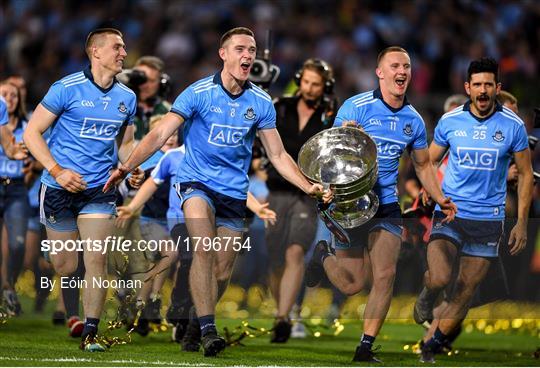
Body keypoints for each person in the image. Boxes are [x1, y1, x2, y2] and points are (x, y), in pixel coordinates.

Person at [104, 26, 331, 357]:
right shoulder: (197, 93)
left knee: (223, 271)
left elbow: (279, 156)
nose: (248, 55)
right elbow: (157, 136)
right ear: (223, 54)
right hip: (196, 184)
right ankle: (210, 330)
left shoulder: (261, 102)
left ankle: (198, 321)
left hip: (233, 193)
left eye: (251, 50)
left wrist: (309, 186)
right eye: (240, 48)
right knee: (204, 249)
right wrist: (125, 168)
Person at [304, 46, 457, 363]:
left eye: (407, 66)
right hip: (350, 204)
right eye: (395, 66)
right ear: (380, 72)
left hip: (386, 205)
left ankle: (365, 346)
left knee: (386, 275)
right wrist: (348, 136)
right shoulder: (356, 106)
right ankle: (323, 255)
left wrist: (440, 197)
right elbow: (331, 153)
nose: (402, 71)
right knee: (353, 285)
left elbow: (423, 166)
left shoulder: (413, 120)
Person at [23, 28, 144, 352]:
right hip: (58, 188)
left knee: (97, 258)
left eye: (124, 47)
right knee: (65, 265)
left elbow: (125, 142)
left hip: (100, 188)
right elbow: (33, 133)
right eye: (117, 47)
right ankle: (63, 268)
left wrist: (130, 168)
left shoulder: (127, 98)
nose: (123, 53)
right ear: (96, 52)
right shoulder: (66, 88)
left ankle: (90, 331)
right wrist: (57, 170)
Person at [416, 57, 533, 363]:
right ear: (468, 87)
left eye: (488, 84)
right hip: (451, 211)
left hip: (488, 220)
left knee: (466, 289)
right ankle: (427, 298)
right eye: (477, 84)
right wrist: (433, 193)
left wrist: (521, 222)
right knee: (440, 278)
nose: (482, 90)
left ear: (497, 87)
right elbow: (427, 162)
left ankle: (434, 342)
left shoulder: (513, 126)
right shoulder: (451, 121)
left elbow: (524, 176)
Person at [265, 58, 336, 343]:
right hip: (276, 191)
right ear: (299, 80)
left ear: (325, 87)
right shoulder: (278, 107)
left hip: (308, 194)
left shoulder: (331, 116)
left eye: (316, 84)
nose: (309, 88)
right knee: (275, 259)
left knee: (295, 252)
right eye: (306, 82)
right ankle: (282, 309)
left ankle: (285, 317)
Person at [0, 81, 31, 316]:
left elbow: (38, 158)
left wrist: (29, 164)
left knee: (17, 245)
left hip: (17, 189)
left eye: (14, 95)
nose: (10, 99)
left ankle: (9, 285)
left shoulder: (28, 127)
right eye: (4, 94)